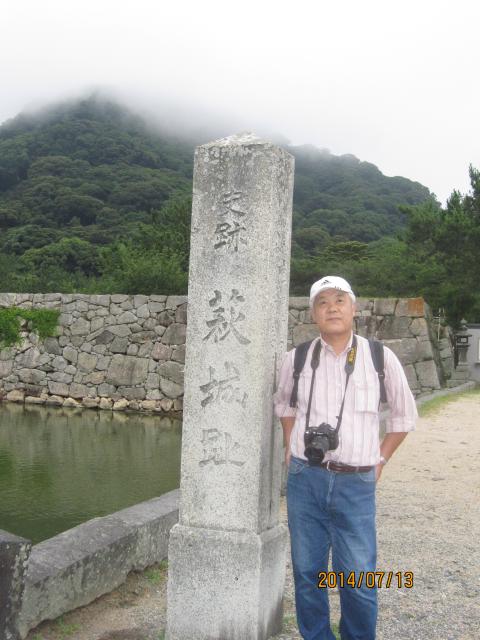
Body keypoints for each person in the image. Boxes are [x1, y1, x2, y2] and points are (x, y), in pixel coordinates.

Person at [273, 276, 417, 640]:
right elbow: (285, 405)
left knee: (358, 578)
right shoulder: (297, 358)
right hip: (305, 478)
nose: (332, 308)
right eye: (322, 302)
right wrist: (290, 444)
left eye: (340, 300)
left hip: (356, 482)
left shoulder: (380, 358)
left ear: (354, 309)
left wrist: (381, 459)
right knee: (308, 574)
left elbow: (404, 417)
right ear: (313, 314)